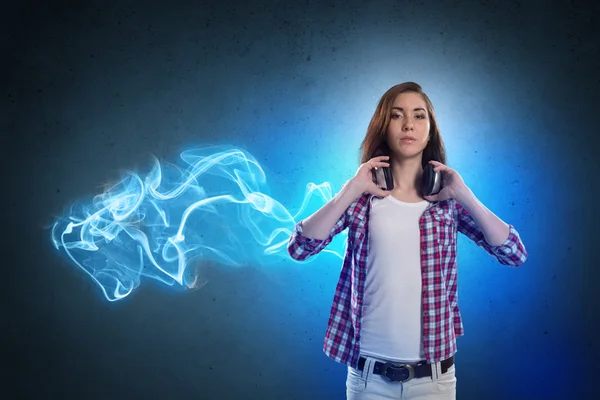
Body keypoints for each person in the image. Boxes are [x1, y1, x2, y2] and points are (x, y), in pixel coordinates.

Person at [287, 82, 528, 400]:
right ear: (383, 127)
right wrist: (350, 189)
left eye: (419, 116)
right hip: (368, 380)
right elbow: (299, 248)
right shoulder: (362, 200)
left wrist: (464, 194)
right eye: (397, 116)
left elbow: (514, 253)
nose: (409, 124)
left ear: (430, 131)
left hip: (435, 382)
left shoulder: (447, 201)